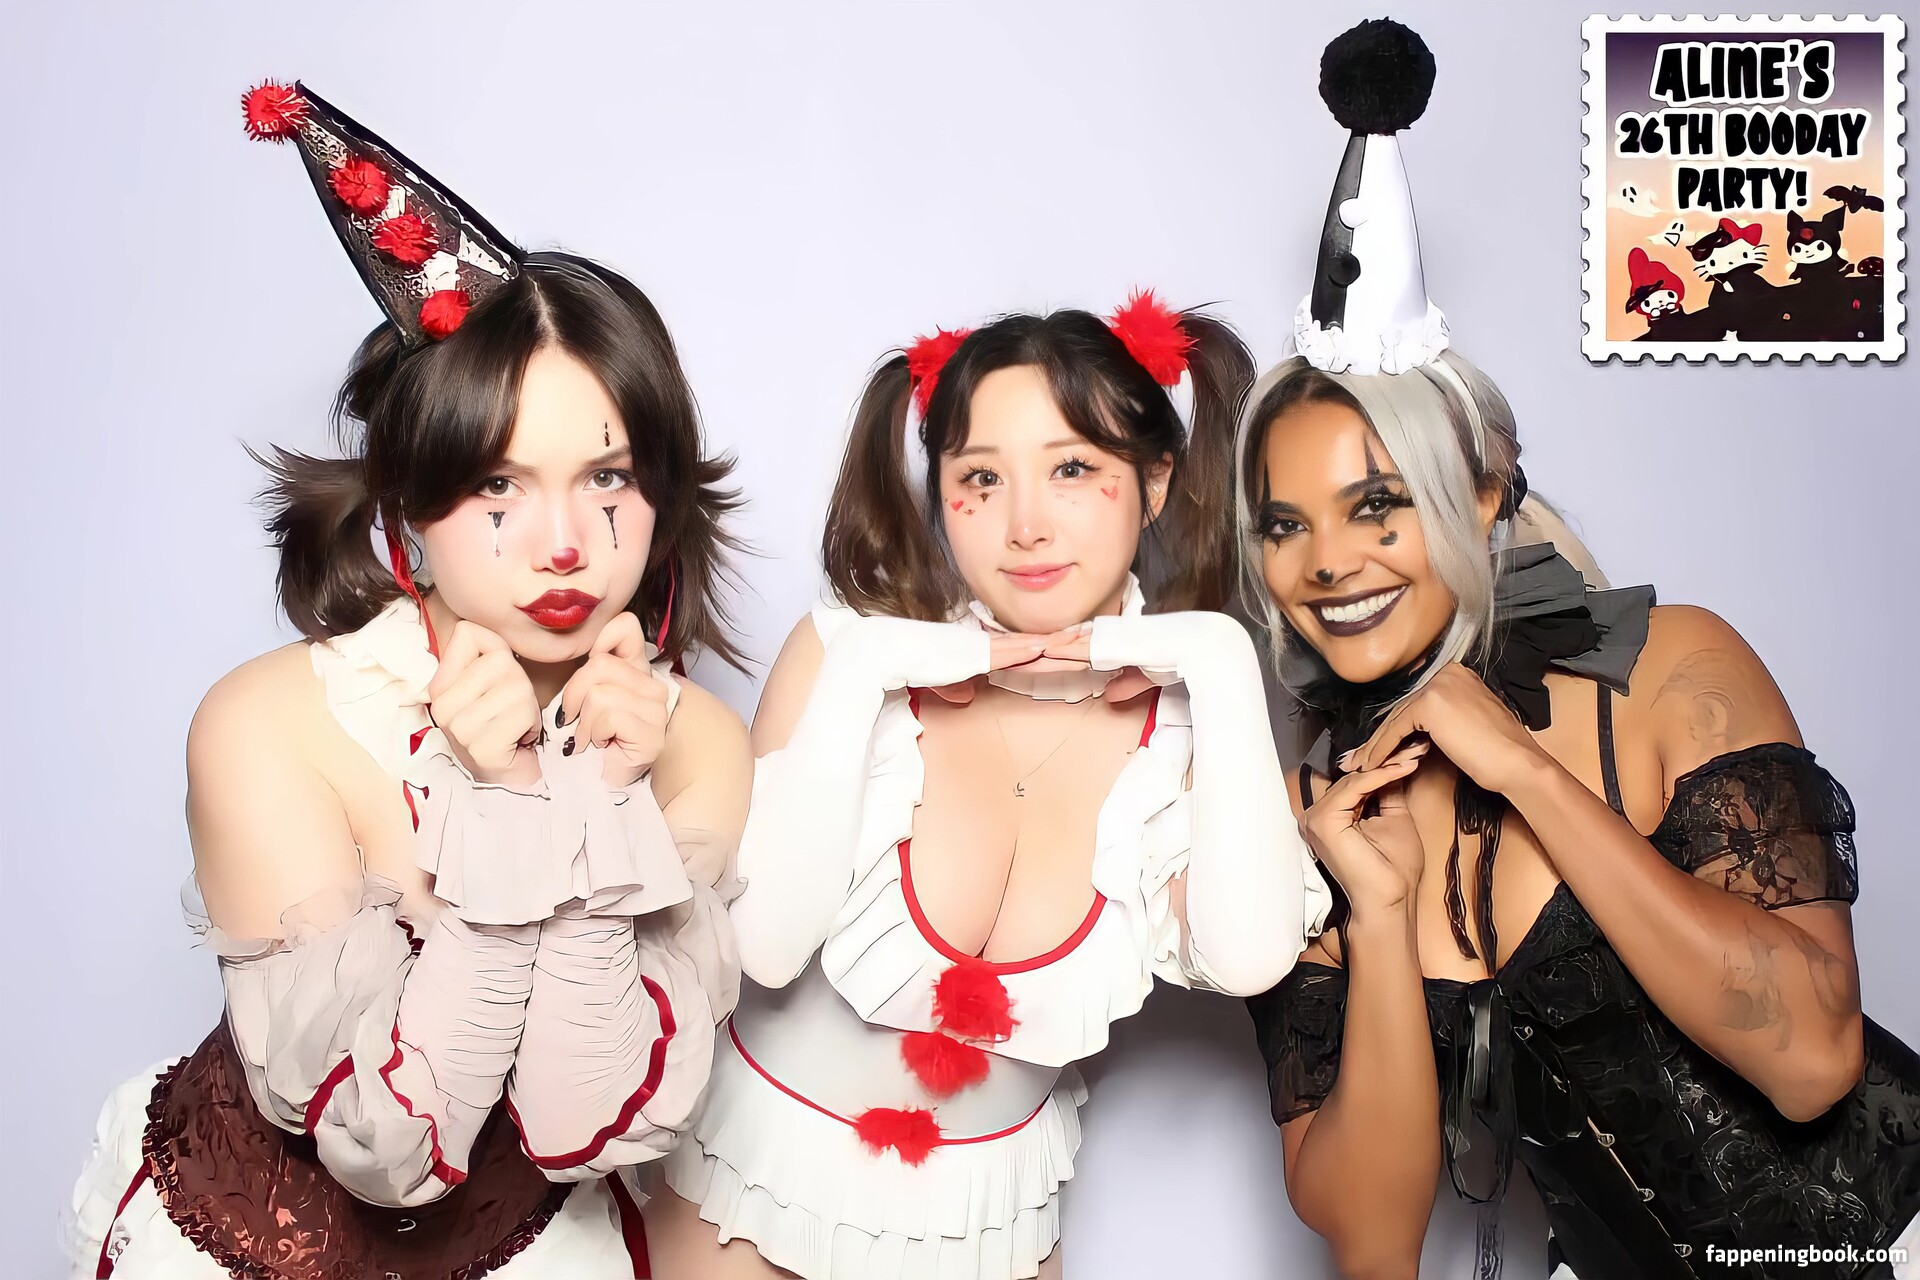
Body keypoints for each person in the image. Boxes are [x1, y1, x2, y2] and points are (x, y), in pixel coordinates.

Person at [1240, 21, 1920, 1279]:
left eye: (1379, 503)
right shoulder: (1311, 815)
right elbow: (1374, 1244)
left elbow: (1815, 1059)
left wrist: (1526, 772)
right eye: (1286, 524)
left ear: (1482, 489)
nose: (1327, 560)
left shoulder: (1665, 671)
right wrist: (1377, 913)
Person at [63, 81, 749, 1279]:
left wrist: (582, 794)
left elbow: (582, 1124)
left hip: (529, 1243)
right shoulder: (273, 721)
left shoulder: (691, 740)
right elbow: (390, 1149)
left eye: (607, 478)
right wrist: (496, 802)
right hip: (248, 1247)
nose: (565, 545)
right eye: (498, 486)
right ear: (409, 507)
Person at [643, 293, 1331, 1278]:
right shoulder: (846, 652)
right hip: (751, 1192)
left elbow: (1252, 957)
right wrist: (868, 668)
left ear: (1154, 482)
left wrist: (1220, 659)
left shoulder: (1188, 724)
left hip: (990, 1223)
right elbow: (764, 945)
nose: (1027, 525)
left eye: (1073, 469)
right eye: (981, 478)